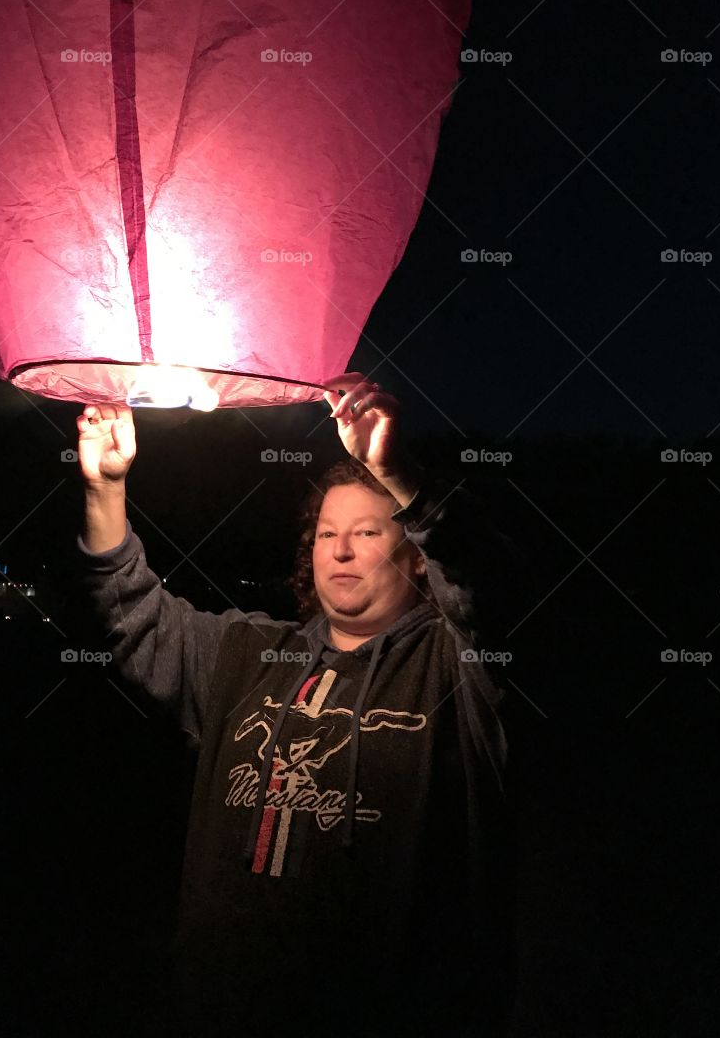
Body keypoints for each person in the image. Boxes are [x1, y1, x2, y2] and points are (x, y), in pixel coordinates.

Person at [75, 373, 529, 1037]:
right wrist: (104, 489)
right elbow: (131, 615)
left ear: (416, 556)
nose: (341, 549)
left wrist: (397, 473)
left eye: (370, 533)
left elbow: (494, 595)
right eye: (325, 533)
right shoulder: (244, 653)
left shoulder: (460, 673)